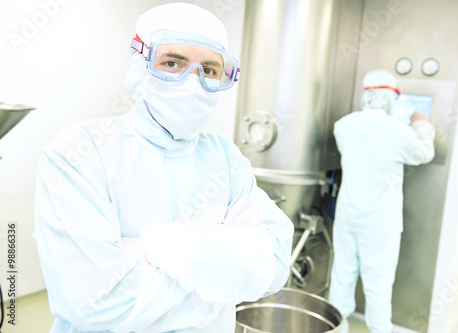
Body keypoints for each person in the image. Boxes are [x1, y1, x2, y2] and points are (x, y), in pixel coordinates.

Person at [33, 3, 293, 333]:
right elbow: (98, 303)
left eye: (210, 70)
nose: (193, 82)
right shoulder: (78, 153)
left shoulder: (226, 159)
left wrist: (152, 248)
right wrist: (219, 268)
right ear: (141, 64)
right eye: (172, 63)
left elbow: (275, 265)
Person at [328, 69, 435, 333]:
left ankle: (334, 329)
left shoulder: (343, 125)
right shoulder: (398, 130)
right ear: (390, 96)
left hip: (347, 217)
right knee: (378, 287)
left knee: (341, 279)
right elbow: (425, 154)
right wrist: (422, 124)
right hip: (380, 224)